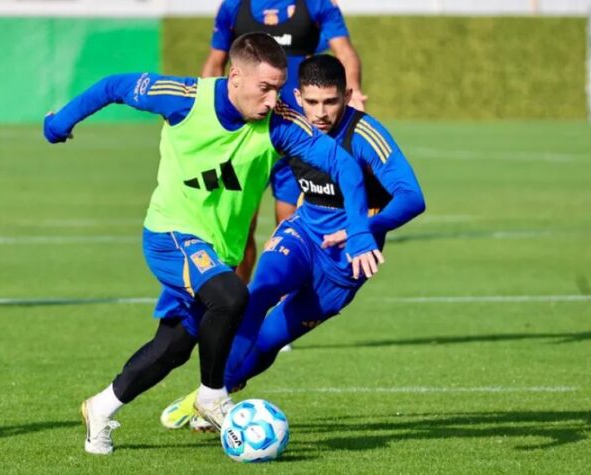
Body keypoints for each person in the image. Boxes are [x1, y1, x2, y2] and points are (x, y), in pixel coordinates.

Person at [43, 33, 383, 455]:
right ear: (235, 76)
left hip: (217, 253)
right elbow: (114, 86)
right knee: (233, 296)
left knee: (172, 348)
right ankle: (212, 397)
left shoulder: (280, 122)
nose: (273, 99)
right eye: (265, 88)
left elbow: (344, 165)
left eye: (279, 88)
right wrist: (60, 122)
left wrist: (360, 229)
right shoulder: (185, 99)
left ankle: (100, 408)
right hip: (170, 235)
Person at [159, 54, 424, 431]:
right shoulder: (286, 122)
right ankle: (211, 394)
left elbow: (412, 196)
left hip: (346, 263)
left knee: (269, 341)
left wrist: (364, 228)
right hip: (302, 232)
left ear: (347, 96)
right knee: (258, 293)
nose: (321, 112)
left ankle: (212, 395)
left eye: (331, 101)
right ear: (298, 97)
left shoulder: (366, 134)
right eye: (312, 102)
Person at [202, 0, 368, 283]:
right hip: (248, 135)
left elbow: (346, 54)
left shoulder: (316, 5)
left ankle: (283, 302)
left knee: (291, 230)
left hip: (295, 135)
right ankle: (238, 301)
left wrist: (354, 91)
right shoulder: (233, 6)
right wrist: (208, 113)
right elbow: (215, 64)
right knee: (241, 228)